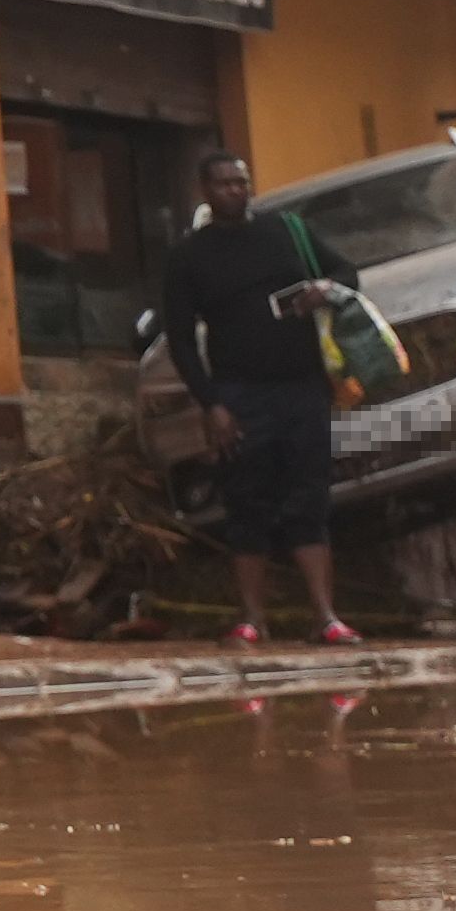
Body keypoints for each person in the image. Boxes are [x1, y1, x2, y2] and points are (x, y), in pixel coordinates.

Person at [157, 150, 361, 647]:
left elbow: (348, 274)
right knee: (247, 505)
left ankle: (326, 617)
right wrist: (212, 404)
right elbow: (181, 339)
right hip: (239, 395)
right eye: (224, 183)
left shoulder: (287, 232)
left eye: (242, 182)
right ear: (205, 191)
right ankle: (252, 620)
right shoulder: (189, 256)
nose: (235, 190)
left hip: (303, 390)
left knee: (308, 501)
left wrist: (324, 289)